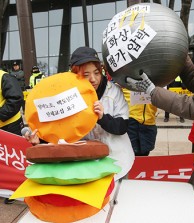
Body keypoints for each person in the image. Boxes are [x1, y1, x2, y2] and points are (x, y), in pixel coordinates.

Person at [25, 46, 135, 181]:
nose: (93, 79)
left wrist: (102, 118)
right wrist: (40, 141)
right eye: (86, 75)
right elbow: (59, 132)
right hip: (86, 167)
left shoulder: (113, 92)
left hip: (118, 161)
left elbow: (122, 127)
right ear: (74, 75)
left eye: (97, 73)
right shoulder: (65, 96)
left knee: (118, 200)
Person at [125, 54, 194, 192]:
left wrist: (153, 92)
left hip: (148, 122)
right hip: (132, 123)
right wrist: (181, 52)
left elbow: (192, 106)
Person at [0, 68, 25, 204]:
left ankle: (14, 190)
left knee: (13, 160)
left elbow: (16, 99)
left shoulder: (5, 77)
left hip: (10, 125)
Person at [123, 88, 157, 156]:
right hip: (131, 121)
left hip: (149, 122)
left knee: (145, 153)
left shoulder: (156, 82)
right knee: (130, 155)